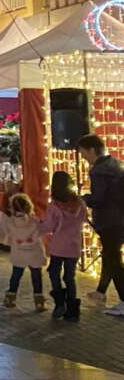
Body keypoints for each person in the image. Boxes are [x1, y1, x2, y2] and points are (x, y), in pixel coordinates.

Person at [77, 133, 124, 314]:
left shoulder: (98, 170)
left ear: (91, 150)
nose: (84, 158)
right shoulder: (115, 164)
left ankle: (123, 301)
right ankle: (101, 292)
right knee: (110, 256)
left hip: (108, 220)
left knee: (113, 261)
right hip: (119, 218)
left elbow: (98, 199)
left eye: (83, 154)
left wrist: (83, 198)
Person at [40, 170, 87, 321]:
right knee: (69, 277)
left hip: (58, 246)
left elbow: (48, 226)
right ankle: (72, 310)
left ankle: (60, 303)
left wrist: (35, 225)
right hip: (74, 246)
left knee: (54, 273)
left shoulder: (54, 206)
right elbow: (84, 219)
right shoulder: (80, 203)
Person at [1, 192, 46, 311]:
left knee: (16, 275)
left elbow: (8, 236)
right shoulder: (34, 221)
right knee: (36, 276)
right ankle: (39, 301)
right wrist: (30, 240)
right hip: (34, 252)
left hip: (19, 253)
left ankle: (10, 297)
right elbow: (40, 233)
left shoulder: (10, 222)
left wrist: (19, 241)